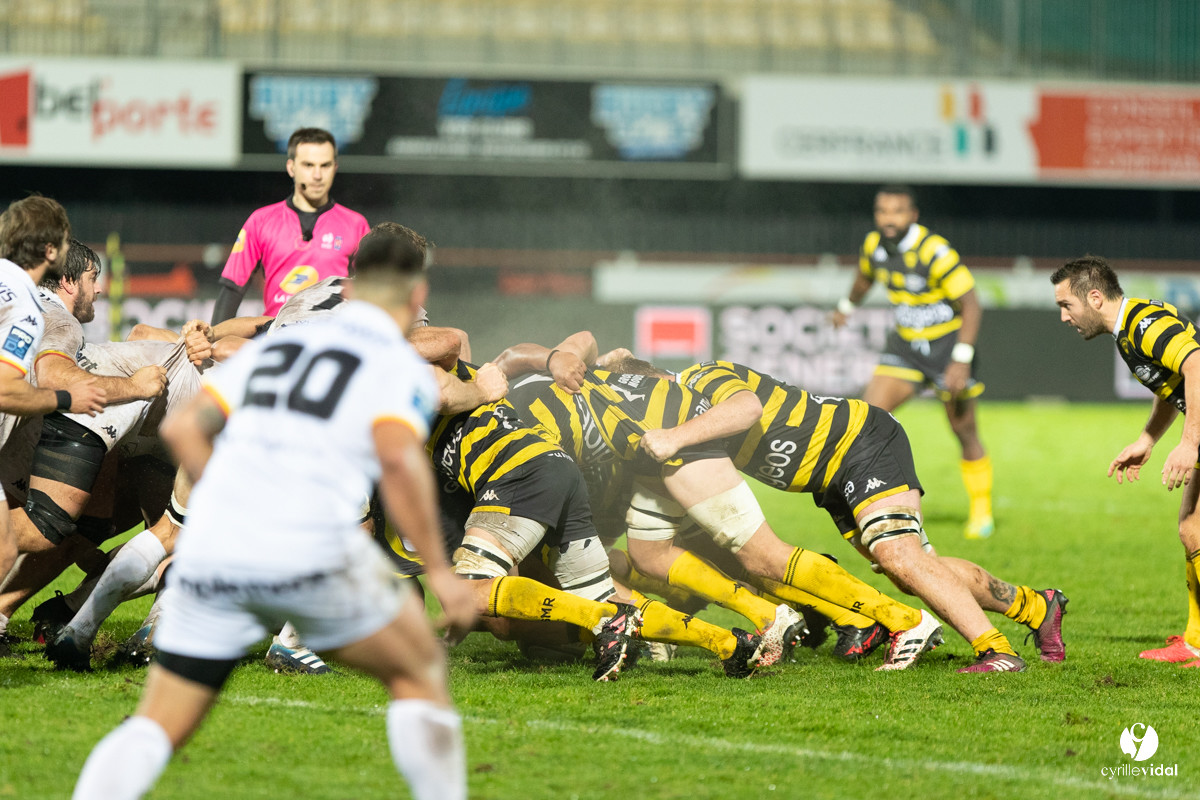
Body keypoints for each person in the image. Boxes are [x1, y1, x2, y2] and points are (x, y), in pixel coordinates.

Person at [72, 232, 476, 800]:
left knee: (156, 726)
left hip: (222, 550)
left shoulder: (279, 349)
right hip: (308, 547)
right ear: (415, 297)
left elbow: (184, 428)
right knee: (419, 673)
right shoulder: (396, 364)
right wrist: (440, 574)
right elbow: (397, 465)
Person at [635, 358, 1068, 673]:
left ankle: (996, 653)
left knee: (900, 556)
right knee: (910, 570)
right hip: (829, 475)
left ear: (658, 380)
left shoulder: (699, 376)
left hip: (859, 442)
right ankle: (1035, 606)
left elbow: (747, 408)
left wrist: (673, 438)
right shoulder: (680, 413)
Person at [1052, 255, 1200, 667]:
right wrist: (1148, 438)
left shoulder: (1143, 324)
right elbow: (1173, 382)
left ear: (1094, 297)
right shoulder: (1130, 328)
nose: (1064, 317)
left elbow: (1197, 366)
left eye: (1067, 305)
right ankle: (1195, 643)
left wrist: (1189, 444)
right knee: (1192, 530)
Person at [832, 185, 994, 539]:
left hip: (947, 350)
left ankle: (982, 511)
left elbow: (971, 304)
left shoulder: (935, 252)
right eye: (883, 211)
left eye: (897, 211)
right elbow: (863, 278)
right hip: (906, 347)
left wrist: (960, 359)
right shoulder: (874, 245)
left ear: (913, 215)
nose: (889, 219)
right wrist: (846, 307)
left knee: (963, 430)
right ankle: (869, 505)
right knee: (866, 419)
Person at [0, 197, 104, 648]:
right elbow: (6, 388)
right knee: (7, 547)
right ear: (50, 252)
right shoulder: (32, 311)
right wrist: (67, 396)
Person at [212, 127, 369, 323]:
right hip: (274, 334)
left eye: (325, 165)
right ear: (291, 167)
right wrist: (212, 344)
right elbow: (232, 288)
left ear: (335, 167)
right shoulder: (260, 221)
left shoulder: (356, 224)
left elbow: (374, 290)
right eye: (308, 165)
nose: (318, 175)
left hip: (332, 334)